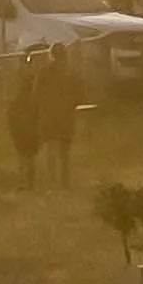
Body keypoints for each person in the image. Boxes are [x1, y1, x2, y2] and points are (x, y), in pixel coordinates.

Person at [35, 43, 81, 188]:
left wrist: (42, 108)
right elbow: (79, 94)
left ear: (51, 55)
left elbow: (36, 94)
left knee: (51, 151)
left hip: (49, 117)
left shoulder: (44, 72)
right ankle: (65, 183)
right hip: (66, 117)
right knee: (65, 153)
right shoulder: (71, 72)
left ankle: (52, 183)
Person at [6, 50, 43, 190]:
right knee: (30, 157)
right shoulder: (34, 99)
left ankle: (22, 182)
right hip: (31, 127)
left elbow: (12, 111)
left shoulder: (18, 98)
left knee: (23, 157)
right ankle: (29, 183)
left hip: (22, 127)